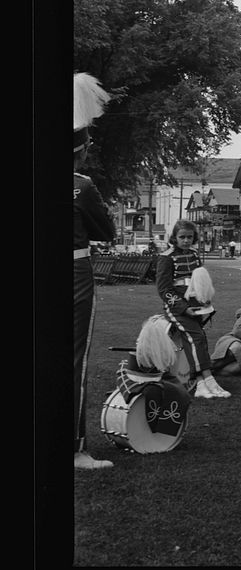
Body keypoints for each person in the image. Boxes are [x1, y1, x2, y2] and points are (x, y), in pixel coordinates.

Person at [73, 73, 117, 469]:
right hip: (73, 273)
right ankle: (74, 447)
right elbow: (107, 230)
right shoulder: (81, 185)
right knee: (74, 358)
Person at [157, 220, 232, 399]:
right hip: (176, 308)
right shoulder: (166, 257)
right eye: (182, 237)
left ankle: (203, 382)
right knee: (195, 337)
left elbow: (200, 281)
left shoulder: (194, 254)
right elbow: (164, 289)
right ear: (174, 237)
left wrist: (205, 301)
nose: (186, 240)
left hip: (195, 305)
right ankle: (204, 380)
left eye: (189, 237)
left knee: (199, 339)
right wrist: (183, 309)